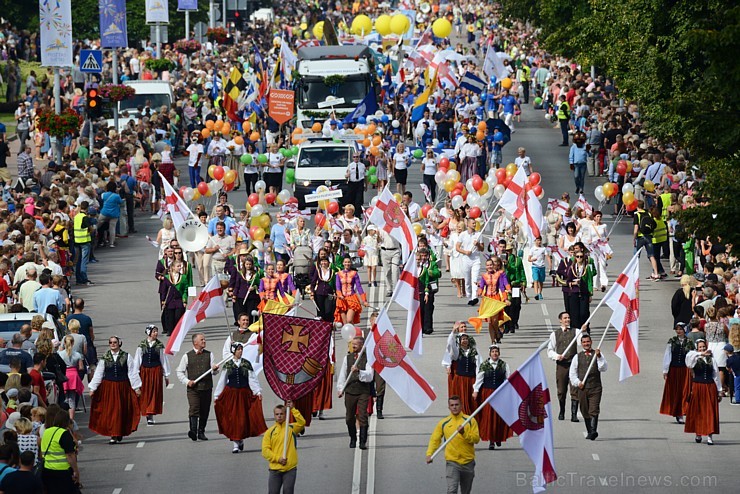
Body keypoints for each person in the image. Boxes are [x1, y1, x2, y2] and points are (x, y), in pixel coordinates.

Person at [214, 342, 266, 453]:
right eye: (238, 349)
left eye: (241, 349)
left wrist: (257, 391)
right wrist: (217, 395)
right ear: (233, 351)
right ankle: (235, 443)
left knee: (242, 418)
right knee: (233, 418)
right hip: (231, 394)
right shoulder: (228, 365)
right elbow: (222, 381)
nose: (240, 351)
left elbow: (252, 378)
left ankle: (240, 439)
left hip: (244, 394)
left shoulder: (246, 364)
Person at [89, 335, 142, 444]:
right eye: (111, 342)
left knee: (121, 410)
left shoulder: (126, 356)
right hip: (109, 387)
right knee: (111, 411)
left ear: (119, 344)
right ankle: (113, 434)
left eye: (115, 342)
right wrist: (93, 388)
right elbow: (99, 373)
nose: (113, 344)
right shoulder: (105, 357)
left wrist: (136, 387)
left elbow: (132, 372)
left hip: (123, 387)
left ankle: (119, 432)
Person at [425, 396, 480, 494]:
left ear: (461, 406)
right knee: (452, 490)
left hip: (468, 462)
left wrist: (464, 433)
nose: (454, 407)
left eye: (457, 405)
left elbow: (476, 439)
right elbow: (435, 439)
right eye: (452, 405)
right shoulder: (444, 423)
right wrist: (430, 454)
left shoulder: (470, 421)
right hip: (452, 462)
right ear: (449, 407)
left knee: (466, 491)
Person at [176, 333, 220, 441]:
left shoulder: (209, 354)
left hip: (206, 388)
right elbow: (179, 372)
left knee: (205, 410)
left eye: (204, 339)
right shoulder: (187, 356)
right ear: (195, 342)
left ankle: (201, 432)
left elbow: (214, 372)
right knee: (194, 408)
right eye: (202, 340)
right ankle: (193, 431)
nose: (204, 341)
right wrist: (187, 381)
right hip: (193, 389)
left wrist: (215, 369)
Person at [472, 344, 514, 449]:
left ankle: (498, 437)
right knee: (489, 416)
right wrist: (476, 391)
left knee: (499, 416)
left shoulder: (504, 365)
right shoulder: (484, 365)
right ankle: (491, 440)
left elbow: (508, 379)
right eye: (493, 352)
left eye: (496, 352)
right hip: (488, 393)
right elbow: (479, 379)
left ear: (499, 353)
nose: (494, 353)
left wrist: (508, 392)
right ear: (489, 353)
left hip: (499, 393)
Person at [337, 336, 374, 450]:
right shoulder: (347, 358)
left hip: (363, 391)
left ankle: (363, 441)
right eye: (352, 344)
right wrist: (340, 388)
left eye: (356, 344)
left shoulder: (368, 359)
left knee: (363, 416)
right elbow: (343, 374)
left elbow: (370, 376)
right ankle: (353, 437)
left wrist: (359, 371)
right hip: (350, 391)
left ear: (362, 346)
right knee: (349, 417)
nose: (353, 346)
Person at [569, 333, 608, 440]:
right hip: (582, 388)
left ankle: (594, 430)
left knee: (594, 409)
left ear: (591, 342)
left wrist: (599, 357)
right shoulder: (577, 357)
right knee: (584, 410)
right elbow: (572, 373)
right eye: (584, 342)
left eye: (588, 342)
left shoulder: (598, 354)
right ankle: (589, 430)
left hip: (595, 387)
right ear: (581, 344)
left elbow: (603, 368)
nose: (586, 344)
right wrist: (578, 383)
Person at [261, 402, 305, 494]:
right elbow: (265, 451)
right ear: (274, 416)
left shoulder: (291, 428)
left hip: (290, 468)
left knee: (288, 491)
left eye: (281, 414)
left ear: (285, 415)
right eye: (277, 414)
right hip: (275, 469)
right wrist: (278, 459)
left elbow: (302, 423)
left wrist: (293, 409)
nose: (279, 416)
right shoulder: (270, 432)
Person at [684, 339, 721, 445]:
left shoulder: (711, 359)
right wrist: (700, 353)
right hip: (698, 386)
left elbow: (716, 374)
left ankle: (710, 435)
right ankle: (698, 433)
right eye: (700, 347)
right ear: (697, 348)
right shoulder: (694, 358)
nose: (703, 348)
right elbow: (688, 361)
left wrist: (719, 390)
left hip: (709, 387)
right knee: (698, 410)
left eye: (704, 347)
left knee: (710, 411)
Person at [547, 312, 581, 422]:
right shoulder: (555, 334)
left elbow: (582, 342)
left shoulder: (576, 331)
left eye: (568, 318)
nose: (567, 320)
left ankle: (574, 414)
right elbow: (550, 350)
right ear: (560, 320)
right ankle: (562, 410)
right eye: (565, 318)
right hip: (562, 365)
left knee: (574, 389)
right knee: (561, 390)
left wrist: (583, 331)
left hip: (573, 365)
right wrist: (557, 356)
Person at [134, 325, 170, 426]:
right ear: (149, 333)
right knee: (145, 392)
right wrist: (136, 373)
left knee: (154, 392)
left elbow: (163, 360)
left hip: (155, 371)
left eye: (156, 331)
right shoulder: (142, 345)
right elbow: (137, 360)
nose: (156, 333)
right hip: (144, 371)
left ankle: (151, 414)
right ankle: (147, 413)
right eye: (154, 331)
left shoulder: (159, 346)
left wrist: (166, 375)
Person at [660, 323, 695, 424]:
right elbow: (668, 355)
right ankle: (677, 412)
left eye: (680, 329)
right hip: (674, 369)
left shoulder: (689, 342)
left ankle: (684, 411)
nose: (678, 331)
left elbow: (692, 356)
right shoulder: (672, 341)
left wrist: (693, 369)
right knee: (675, 391)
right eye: (677, 329)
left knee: (685, 390)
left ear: (685, 330)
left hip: (685, 369)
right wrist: (665, 370)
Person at [443, 323, 479, 415]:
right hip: (459, 372)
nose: (464, 328)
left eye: (465, 327)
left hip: (470, 375)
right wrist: (448, 365)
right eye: (461, 327)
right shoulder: (455, 345)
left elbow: (478, 362)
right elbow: (449, 349)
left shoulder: (472, 348)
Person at [40, 413, 80, 494]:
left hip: (47, 469)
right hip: (63, 471)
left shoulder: (47, 431)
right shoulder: (64, 433)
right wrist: (76, 471)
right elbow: (70, 455)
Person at [476, 257, 511, 343]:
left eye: (491, 265)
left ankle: (497, 332)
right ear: (486, 266)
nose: (490, 266)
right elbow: (482, 286)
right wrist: (479, 292)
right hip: (487, 299)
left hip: (496, 298)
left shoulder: (498, 274)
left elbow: (502, 287)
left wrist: (506, 297)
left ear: (493, 265)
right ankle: (493, 340)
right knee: (490, 321)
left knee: (495, 320)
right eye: (488, 265)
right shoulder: (484, 276)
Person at [227, 249, 262, 325]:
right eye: (247, 264)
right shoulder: (240, 273)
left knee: (250, 314)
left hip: (252, 298)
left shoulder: (255, 274)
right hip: (241, 297)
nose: (248, 266)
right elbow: (237, 285)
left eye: (250, 264)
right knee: (242, 314)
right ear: (244, 264)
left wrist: (254, 287)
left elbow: (259, 284)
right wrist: (234, 296)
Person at [457, 218, 484, 307]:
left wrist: (477, 245)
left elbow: (482, 249)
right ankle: (469, 295)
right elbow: (457, 247)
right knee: (467, 280)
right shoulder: (463, 235)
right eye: (472, 223)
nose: (474, 225)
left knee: (475, 279)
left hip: (476, 259)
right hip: (466, 259)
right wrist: (465, 252)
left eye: (475, 223)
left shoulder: (479, 234)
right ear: (468, 224)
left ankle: (474, 297)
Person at [335, 256, 368, 325]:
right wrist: (340, 295)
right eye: (345, 262)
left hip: (352, 298)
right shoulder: (338, 274)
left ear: (351, 263)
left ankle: (353, 334)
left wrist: (364, 300)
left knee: (349, 320)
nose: (347, 264)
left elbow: (359, 287)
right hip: (342, 299)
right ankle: (349, 335)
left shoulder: (354, 273)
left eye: (349, 262)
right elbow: (338, 287)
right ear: (343, 263)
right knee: (344, 323)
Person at [159, 260, 187, 335]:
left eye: (180, 266)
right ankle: (170, 331)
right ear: (173, 267)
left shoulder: (183, 277)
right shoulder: (167, 277)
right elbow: (164, 290)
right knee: (170, 317)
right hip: (170, 300)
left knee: (178, 316)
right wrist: (163, 300)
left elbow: (185, 289)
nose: (180, 268)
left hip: (178, 300)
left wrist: (184, 300)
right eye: (178, 266)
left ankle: (177, 331)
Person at [418, 247, 441, 335]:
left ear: (428, 256)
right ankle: (421, 326)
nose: (423, 258)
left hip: (430, 287)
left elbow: (438, 273)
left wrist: (429, 272)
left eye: (425, 256)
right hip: (420, 287)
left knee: (429, 307)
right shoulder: (417, 264)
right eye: (422, 256)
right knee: (421, 307)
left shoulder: (432, 264)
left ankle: (428, 327)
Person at [72, 201, 94, 285]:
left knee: (78, 260)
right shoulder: (85, 217)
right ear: (87, 208)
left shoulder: (76, 216)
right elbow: (90, 228)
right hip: (84, 240)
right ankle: (84, 278)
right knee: (84, 261)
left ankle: (78, 279)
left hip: (77, 240)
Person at [309, 257, 337, 323]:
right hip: (319, 293)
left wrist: (335, 292)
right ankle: (321, 328)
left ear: (328, 263)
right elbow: (313, 282)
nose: (323, 263)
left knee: (329, 311)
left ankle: (329, 325)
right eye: (322, 261)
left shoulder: (331, 271)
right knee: (320, 312)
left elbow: (335, 283)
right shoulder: (318, 271)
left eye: (325, 261)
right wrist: (312, 292)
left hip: (329, 294)